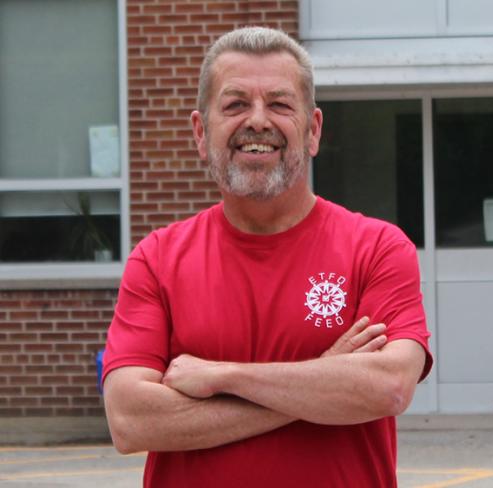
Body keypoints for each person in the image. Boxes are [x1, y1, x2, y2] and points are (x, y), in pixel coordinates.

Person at [103, 26, 432, 488]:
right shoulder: (157, 259)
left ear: (313, 130)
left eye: (279, 104)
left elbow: (390, 385)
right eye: (236, 104)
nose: (258, 121)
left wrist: (223, 375)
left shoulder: (377, 247)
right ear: (201, 132)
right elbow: (130, 420)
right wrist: (323, 379)